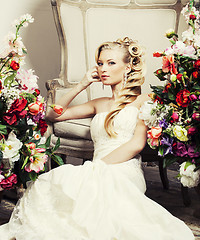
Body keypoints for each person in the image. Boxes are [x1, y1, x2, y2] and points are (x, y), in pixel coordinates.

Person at [0, 37, 194, 240]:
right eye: (100, 63)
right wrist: (82, 85)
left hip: (123, 170)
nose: (103, 69)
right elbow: (51, 114)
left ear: (128, 67)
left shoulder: (144, 100)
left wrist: (97, 166)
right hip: (94, 169)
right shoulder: (98, 104)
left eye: (111, 63)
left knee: (102, 210)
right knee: (60, 203)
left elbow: (137, 144)